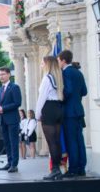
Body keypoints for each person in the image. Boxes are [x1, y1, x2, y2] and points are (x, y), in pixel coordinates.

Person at [58, 50, 88, 178]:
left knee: (72, 141)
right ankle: (81, 167)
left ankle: (74, 168)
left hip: (69, 112)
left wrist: (60, 98)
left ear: (63, 60)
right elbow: (84, 91)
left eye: (58, 60)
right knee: (79, 140)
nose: (58, 63)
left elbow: (68, 90)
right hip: (78, 111)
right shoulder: (78, 72)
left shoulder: (66, 72)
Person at [35, 55, 65, 180]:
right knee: (56, 141)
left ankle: (55, 170)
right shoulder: (58, 77)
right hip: (58, 107)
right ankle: (57, 168)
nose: (41, 65)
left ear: (47, 64)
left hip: (48, 108)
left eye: (42, 63)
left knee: (51, 142)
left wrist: (37, 114)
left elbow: (42, 97)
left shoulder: (47, 78)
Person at [0, 66, 23, 173]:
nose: (1, 76)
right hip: (3, 119)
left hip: (12, 119)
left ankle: (14, 164)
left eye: (3, 74)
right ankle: (9, 162)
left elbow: (17, 103)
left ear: (8, 75)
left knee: (13, 142)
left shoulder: (14, 87)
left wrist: (3, 108)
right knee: (6, 142)